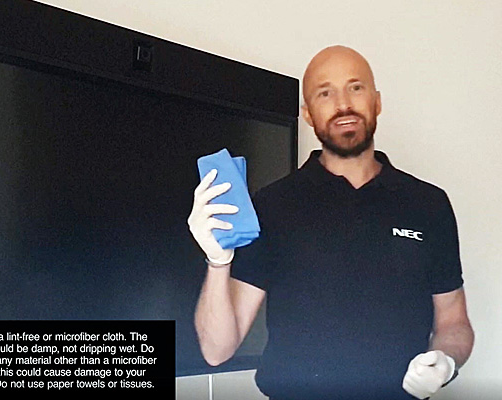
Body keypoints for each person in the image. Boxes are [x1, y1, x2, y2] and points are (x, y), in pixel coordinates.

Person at [188, 45, 474, 400]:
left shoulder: (428, 204)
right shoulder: (273, 204)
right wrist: (218, 261)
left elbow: (454, 322)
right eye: (325, 93)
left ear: (377, 101)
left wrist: (446, 360)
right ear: (308, 114)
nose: (343, 104)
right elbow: (217, 350)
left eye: (356, 87)